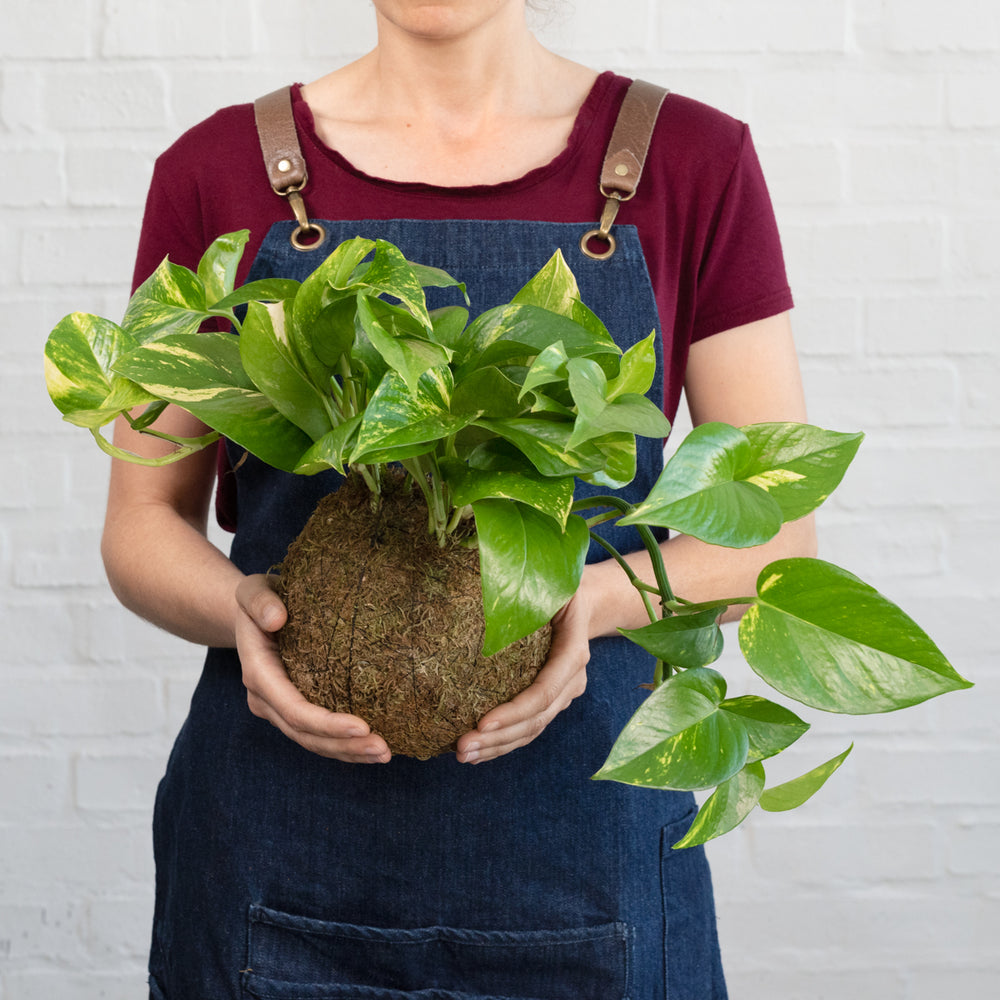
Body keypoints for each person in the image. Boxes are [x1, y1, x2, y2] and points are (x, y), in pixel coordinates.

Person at [102, 2, 815, 997]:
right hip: (278, 852)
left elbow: (770, 533)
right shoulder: (216, 168)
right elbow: (142, 520)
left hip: (582, 863)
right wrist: (242, 613)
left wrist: (584, 606)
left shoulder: (692, 161)